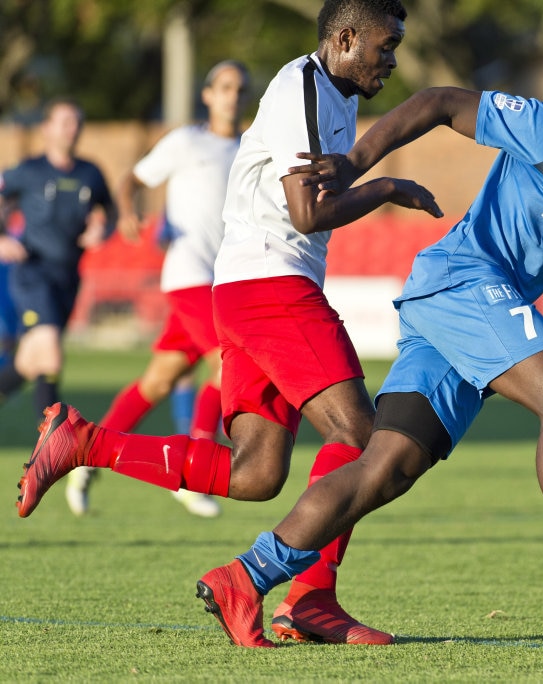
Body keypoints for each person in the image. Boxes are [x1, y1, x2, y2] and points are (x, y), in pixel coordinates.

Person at [18, 58, 543, 647]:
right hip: (463, 283)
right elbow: (439, 102)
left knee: (383, 469)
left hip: (463, 314)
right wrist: (356, 165)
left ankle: (249, 576)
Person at [16, 0, 439, 647]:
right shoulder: (301, 85)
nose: (392, 58)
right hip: (272, 285)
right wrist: (388, 191)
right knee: (362, 435)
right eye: (386, 45)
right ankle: (308, 599)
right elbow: (305, 212)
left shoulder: (340, 95)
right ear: (346, 37)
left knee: (256, 472)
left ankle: (84, 443)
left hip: (245, 289)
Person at [63, 60, 250, 519]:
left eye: (240, 88)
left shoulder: (251, 148)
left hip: (224, 279)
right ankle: (193, 474)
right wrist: (127, 210)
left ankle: (85, 454)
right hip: (188, 275)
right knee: (230, 362)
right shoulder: (188, 141)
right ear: (207, 95)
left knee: (160, 379)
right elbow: (134, 179)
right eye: (224, 87)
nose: (232, 95)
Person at [0, 99, 115, 416]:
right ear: (46, 128)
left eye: (77, 122)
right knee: (50, 353)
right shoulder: (29, 170)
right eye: (64, 122)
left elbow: (113, 211)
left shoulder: (90, 173)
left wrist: (102, 231)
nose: (72, 129)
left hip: (67, 277)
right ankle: (55, 450)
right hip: (32, 273)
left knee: (28, 362)